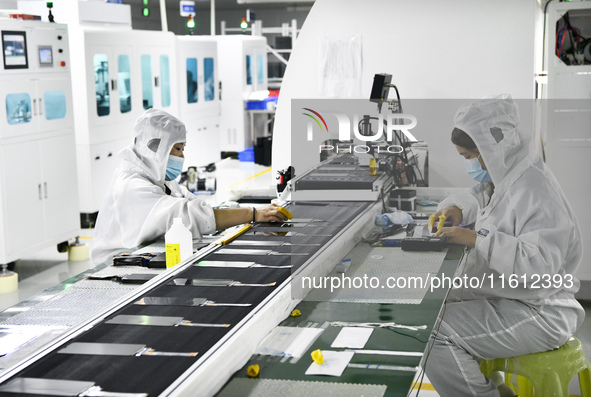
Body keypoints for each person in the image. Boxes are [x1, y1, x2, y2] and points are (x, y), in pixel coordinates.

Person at [424, 95, 584, 396]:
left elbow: (538, 267)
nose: (470, 164)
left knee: (435, 333)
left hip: (543, 310)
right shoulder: (510, 173)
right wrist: (457, 208)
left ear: (491, 147)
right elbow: (484, 196)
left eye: (470, 156)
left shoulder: (535, 188)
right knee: (432, 306)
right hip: (517, 298)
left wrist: (475, 239)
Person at [92, 109, 285, 265]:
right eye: (177, 149)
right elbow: (187, 216)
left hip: (143, 258)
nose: (181, 157)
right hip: (114, 268)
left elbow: (197, 206)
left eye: (182, 149)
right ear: (155, 147)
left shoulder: (160, 180)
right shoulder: (131, 186)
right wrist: (253, 214)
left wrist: (243, 215)